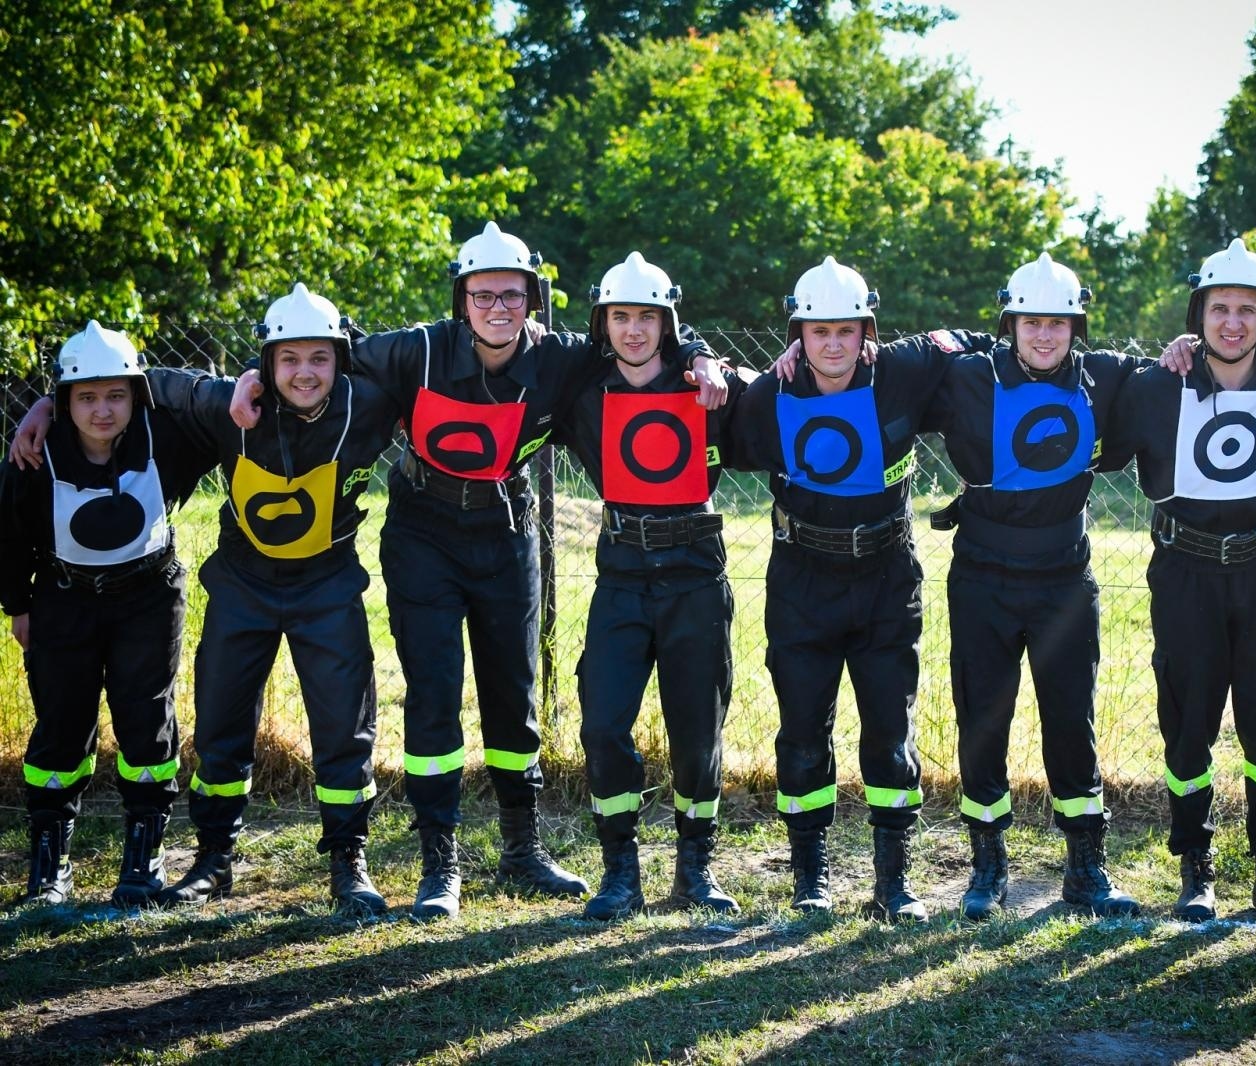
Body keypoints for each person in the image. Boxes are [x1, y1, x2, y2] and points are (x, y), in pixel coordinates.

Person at [225, 223, 726, 920]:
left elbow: (643, 335)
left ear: (533, 302)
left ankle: (522, 850)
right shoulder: (415, 350)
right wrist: (253, 373)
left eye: (512, 296)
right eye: (483, 295)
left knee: (511, 692)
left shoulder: (559, 359)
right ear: (461, 300)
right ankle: (441, 864)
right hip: (423, 532)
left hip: (505, 527)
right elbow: (320, 361)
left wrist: (701, 354)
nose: (498, 309)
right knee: (434, 696)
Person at [127, 284, 404, 915]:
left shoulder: (371, 405)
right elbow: (151, 379)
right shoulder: (231, 402)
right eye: (288, 359)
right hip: (243, 585)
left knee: (344, 725)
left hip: (328, 584)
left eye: (319, 358)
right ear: (266, 363)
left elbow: (428, 360)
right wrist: (43, 412)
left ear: (341, 359)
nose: (304, 372)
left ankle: (347, 860)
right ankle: (213, 858)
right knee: (222, 721)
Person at [732, 256, 989, 923]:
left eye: (847, 329)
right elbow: (712, 413)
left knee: (889, 731)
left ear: (867, 330)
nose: (834, 343)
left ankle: (893, 883)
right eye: (819, 332)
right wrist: (706, 360)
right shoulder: (770, 395)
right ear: (798, 336)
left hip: (886, 578)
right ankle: (809, 878)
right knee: (802, 734)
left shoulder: (904, 368)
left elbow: (989, 343)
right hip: (801, 582)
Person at [922, 254, 1146, 920]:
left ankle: (1087, 870)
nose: (1044, 335)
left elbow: (1182, 373)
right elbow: (890, 369)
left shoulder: (1104, 377)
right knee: (982, 724)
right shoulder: (969, 376)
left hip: (1064, 584)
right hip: (982, 579)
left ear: (1075, 326)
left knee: (1071, 726)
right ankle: (987, 868)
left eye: (1057, 322)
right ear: (1010, 323)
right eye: (1030, 322)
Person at [1103, 239, 1256, 923]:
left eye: (1247, 310)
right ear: (1200, 314)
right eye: (1219, 308)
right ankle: (1196, 866)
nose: (1232, 323)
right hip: (1185, 570)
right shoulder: (1156, 385)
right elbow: (1091, 425)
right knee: (1188, 720)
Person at [551, 252, 752, 920]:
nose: (633, 330)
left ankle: (695, 869)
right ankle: (620, 871)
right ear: (601, 321)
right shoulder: (580, 387)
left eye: (646, 316)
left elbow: (784, 396)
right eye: (620, 316)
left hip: (696, 571)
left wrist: (706, 358)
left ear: (667, 322)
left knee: (698, 731)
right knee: (604, 723)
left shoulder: (709, 388)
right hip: (622, 575)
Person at [1, 322, 215, 906]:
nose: (102, 411)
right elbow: (11, 534)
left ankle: (142, 862)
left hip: (147, 599)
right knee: (61, 726)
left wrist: (48, 401)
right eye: (85, 397)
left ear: (137, 395)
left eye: (117, 394)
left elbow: (214, 401)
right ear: (65, 399)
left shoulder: (166, 438)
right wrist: (19, 606)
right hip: (62, 600)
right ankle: (50, 867)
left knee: (146, 720)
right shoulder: (33, 452)